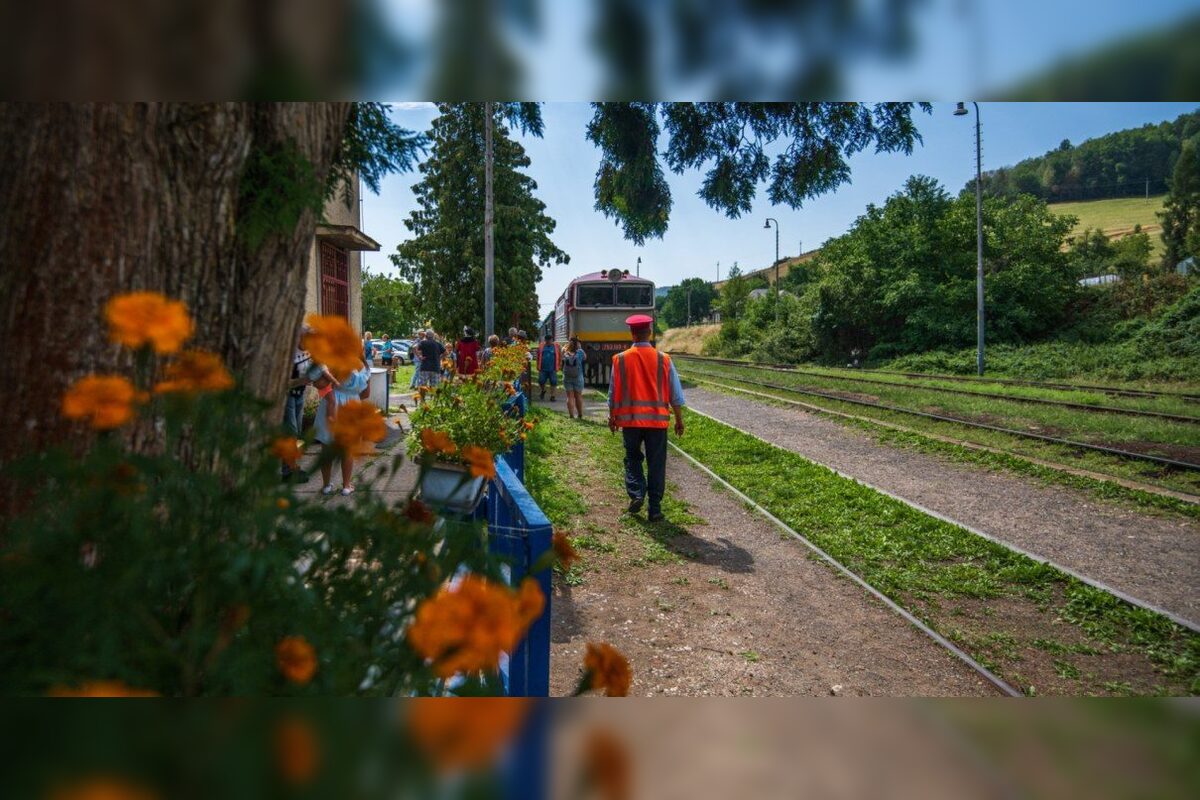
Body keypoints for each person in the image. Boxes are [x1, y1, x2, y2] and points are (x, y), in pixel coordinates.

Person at [608, 314, 685, 522]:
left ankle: (637, 493)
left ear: (632, 334)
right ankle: (655, 509)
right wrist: (678, 419)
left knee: (632, 458)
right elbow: (675, 394)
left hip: (630, 421)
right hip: (657, 423)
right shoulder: (664, 359)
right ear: (649, 333)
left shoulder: (620, 359)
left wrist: (612, 416)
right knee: (657, 463)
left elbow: (613, 392)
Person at [312, 359, 369, 496]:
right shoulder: (359, 365)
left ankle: (326, 486)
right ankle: (346, 486)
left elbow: (317, 382)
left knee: (326, 447)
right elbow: (366, 393)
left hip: (329, 403)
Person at [281, 329, 314, 480]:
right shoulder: (289, 354)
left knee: (296, 432)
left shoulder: (308, 351)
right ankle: (288, 471)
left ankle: (291, 467)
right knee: (290, 432)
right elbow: (283, 381)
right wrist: (304, 379)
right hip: (287, 396)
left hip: (299, 395)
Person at [561, 336, 586, 419]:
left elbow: (562, 358)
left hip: (567, 377)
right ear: (577, 343)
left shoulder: (564, 351)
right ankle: (580, 414)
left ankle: (571, 415)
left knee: (569, 396)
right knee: (578, 396)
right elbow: (585, 358)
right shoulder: (580, 352)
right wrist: (580, 348)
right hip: (578, 376)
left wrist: (567, 346)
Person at [535, 333, 561, 401]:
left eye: (550, 340)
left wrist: (559, 365)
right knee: (541, 381)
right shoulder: (541, 346)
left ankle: (552, 396)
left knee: (553, 382)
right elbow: (538, 356)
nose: (548, 342)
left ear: (552, 340)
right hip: (543, 368)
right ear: (545, 340)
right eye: (547, 341)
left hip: (553, 368)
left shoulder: (557, 346)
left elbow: (560, 356)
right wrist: (537, 365)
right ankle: (543, 390)